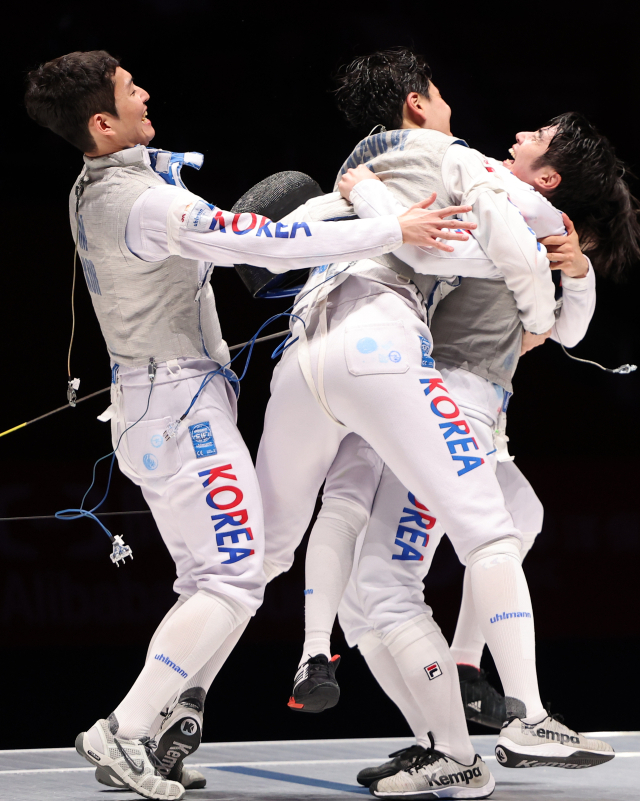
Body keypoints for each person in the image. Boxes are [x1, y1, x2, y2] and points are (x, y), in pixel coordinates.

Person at [23, 49, 466, 801]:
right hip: (179, 410)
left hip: (151, 407)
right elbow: (262, 245)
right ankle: (123, 732)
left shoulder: (95, 185)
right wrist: (389, 227)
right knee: (233, 579)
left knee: (212, 578)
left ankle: (162, 729)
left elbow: (190, 210)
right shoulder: (144, 203)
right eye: (131, 92)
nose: (147, 93)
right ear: (101, 121)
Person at [299, 108, 639, 791]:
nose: (516, 135)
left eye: (535, 138)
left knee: (385, 587)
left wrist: (364, 193)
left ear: (547, 177)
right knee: (516, 521)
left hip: (445, 410)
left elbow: (551, 326)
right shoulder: (494, 204)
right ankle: (450, 721)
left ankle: (487, 727)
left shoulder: (505, 217)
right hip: (449, 407)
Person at [251, 47, 559, 796]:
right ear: (418, 103)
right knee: (457, 546)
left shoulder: (354, 180)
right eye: (442, 93)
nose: (508, 145)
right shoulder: (454, 162)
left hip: (310, 360)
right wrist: (546, 310)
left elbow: (274, 248)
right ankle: (513, 718)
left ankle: (221, 687)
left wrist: (357, 198)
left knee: (293, 564)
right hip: (403, 375)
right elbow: (498, 242)